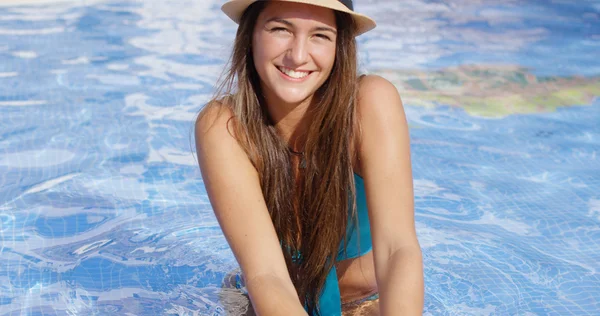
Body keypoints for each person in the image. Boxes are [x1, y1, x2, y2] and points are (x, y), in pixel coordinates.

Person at [195, 0, 424, 315]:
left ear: (338, 47)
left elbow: (397, 249)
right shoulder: (225, 127)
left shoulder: (368, 104)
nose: (298, 55)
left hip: (366, 304)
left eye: (320, 35)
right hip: (269, 300)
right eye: (280, 29)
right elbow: (267, 275)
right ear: (251, 35)